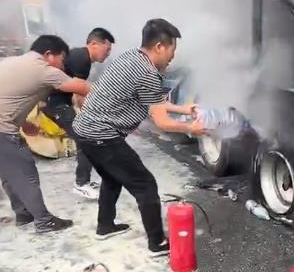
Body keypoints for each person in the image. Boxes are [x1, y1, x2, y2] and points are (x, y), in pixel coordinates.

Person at [73, 18, 206, 257]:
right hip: (102, 135)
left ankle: (105, 226)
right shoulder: (148, 73)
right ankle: (157, 243)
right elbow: (161, 121)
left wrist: (184, 109)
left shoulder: (130, 58)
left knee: (112, 178)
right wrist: (191, 129)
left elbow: (153, 100)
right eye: (172, 49)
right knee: (145, 185)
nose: (173, 56)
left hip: (85, 131)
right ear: (159, 47)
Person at [0, 35, 91, 233]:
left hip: (4, 126)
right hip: (3, 131)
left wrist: (23, 123)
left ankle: (23, 214)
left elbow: (7, 96)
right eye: (62, 59)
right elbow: (82, 88)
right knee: (26, 173)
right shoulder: (42, 69)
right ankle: (43, 221)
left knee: (9, 172)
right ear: (49, 54)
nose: (62, 66)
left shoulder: (14, 63)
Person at [44, 27, 115, 200]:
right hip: (55, 104)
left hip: (59, 103)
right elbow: (80, 92)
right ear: (94, 44)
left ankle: (84, 181)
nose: (108, 54)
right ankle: (81, 184)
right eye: (107, 49)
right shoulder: (82, 58)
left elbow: (77, 92)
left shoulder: (81, 57)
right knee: (87, 138)